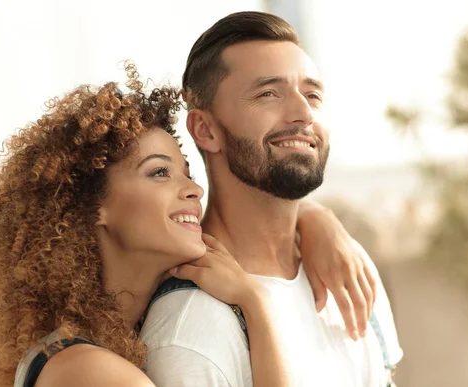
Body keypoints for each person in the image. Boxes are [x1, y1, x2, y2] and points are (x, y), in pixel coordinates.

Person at [0, 64, 374, 387]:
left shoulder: (112, 343)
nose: (193, 189)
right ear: (92, 207)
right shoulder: (87, 370)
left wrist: (311, 216)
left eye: (186, 173)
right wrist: (256, 304)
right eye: (160, 172)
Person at [141, 11, 403, 387]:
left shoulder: (348, 268)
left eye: (312, 94)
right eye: (268, 94)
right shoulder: (190, 331)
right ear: (205, 129)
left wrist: (315, 216)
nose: (303, 113)